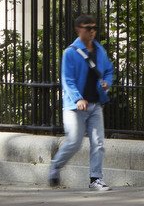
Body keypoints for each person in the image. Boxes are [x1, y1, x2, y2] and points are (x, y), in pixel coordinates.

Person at [46, 15, 115, 192]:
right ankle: (56, 165)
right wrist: (78, 98)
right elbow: (67, 80)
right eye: (88, 28)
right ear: (78, 30)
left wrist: (107, 82)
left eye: (94, 28)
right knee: (74, 142)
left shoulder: (100, 50)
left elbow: (108, 70)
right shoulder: (70, 52)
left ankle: (96, 179)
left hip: (95, 104)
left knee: (98, 143)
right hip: (74, 107)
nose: (92, 31)